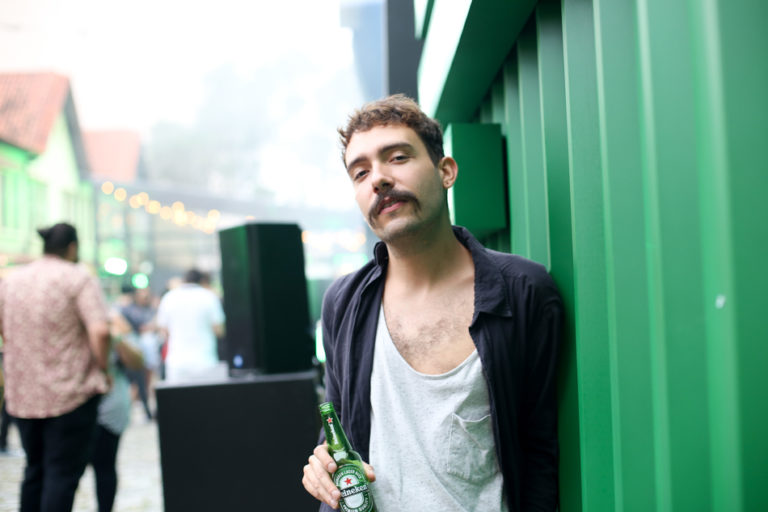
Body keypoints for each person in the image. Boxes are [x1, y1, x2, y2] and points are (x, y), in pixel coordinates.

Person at [301, 95, 563, 511]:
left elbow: (540, 452)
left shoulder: (523, 291)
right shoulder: (344, 302)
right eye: (361, 172)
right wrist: (322, 463)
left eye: (398, 157)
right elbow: (340, 429)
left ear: (446, 171)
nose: (378, 179)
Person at [0, 222, 110, 511]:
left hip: (24, 395)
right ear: (72, 247)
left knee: (34, 471)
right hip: (69, 394)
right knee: (61, 474)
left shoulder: (13, 280)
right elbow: (100, 331)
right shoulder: (77, 278)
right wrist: (103, 369)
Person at [89, 309, 144, 512]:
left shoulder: (110, 317)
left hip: (109, 408)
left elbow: (138, 361)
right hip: (74, 403)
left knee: (104, 465)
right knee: (63, 473)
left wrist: (116, 336)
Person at [156, 269, 225, 383]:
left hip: (177, 362)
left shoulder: (169, 297)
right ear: (202, 281)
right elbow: (219, 330)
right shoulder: (209, 297)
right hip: (205, 361)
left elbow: (163, 330)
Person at [119, 286, 158, 420]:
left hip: (144, 352)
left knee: (144, 381)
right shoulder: (128, 310)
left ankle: (145, 410)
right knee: (135, 383)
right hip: (134, 352)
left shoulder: (149, 309)